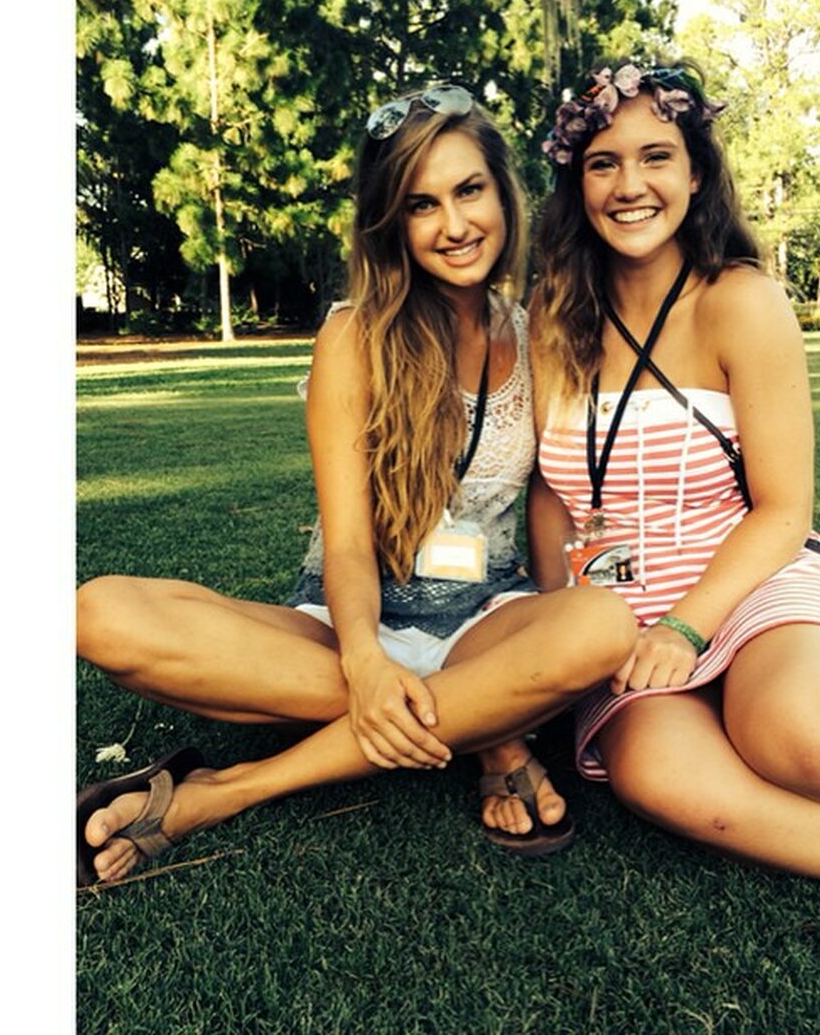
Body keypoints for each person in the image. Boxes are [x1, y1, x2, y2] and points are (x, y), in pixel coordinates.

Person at [76, 85, 637, 886]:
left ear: (503, 193)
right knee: (101, 614)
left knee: (602, 625)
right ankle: (488, 727)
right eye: (422, 204)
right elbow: (345, 540)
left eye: (469, 190)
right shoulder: (353, 334)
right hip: (342, 626)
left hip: (486, 615)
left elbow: (551, 497)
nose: (454, 224)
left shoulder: (532, 330)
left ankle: (229, 789)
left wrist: (550, 640)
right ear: (390, 222)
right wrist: (370, 663)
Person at [527, 60, 820, 886]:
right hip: (619, 617)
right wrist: (560, 630)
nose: (629, 184)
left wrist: (685, 629)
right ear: (578, 184)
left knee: (818, 745)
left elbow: (784, 509)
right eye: (603, 163)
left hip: (753, 583)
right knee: (670, 782)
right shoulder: (552, 312)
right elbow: (551, 490)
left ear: (695, 172)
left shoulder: (741, 299)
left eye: (656, 156)